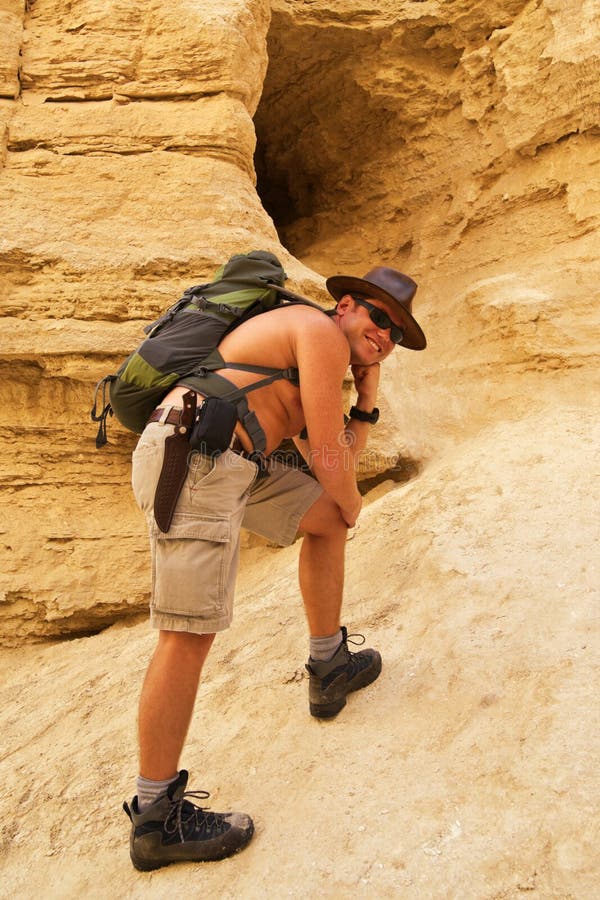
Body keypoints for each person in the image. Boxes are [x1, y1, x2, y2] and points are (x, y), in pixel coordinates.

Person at [123, 266, 427, 871]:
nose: (386, 336)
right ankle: (156, 819)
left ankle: (329, 664)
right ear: (345, 306)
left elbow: (334, 462)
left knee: (325, 521)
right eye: (380, 318)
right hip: (195, 456)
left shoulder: (324, 352)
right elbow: (327, 456)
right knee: (189, 632)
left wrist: (364, 402)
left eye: (396, 332)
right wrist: (352, 497)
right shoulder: (314, 330)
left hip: (233, 458)